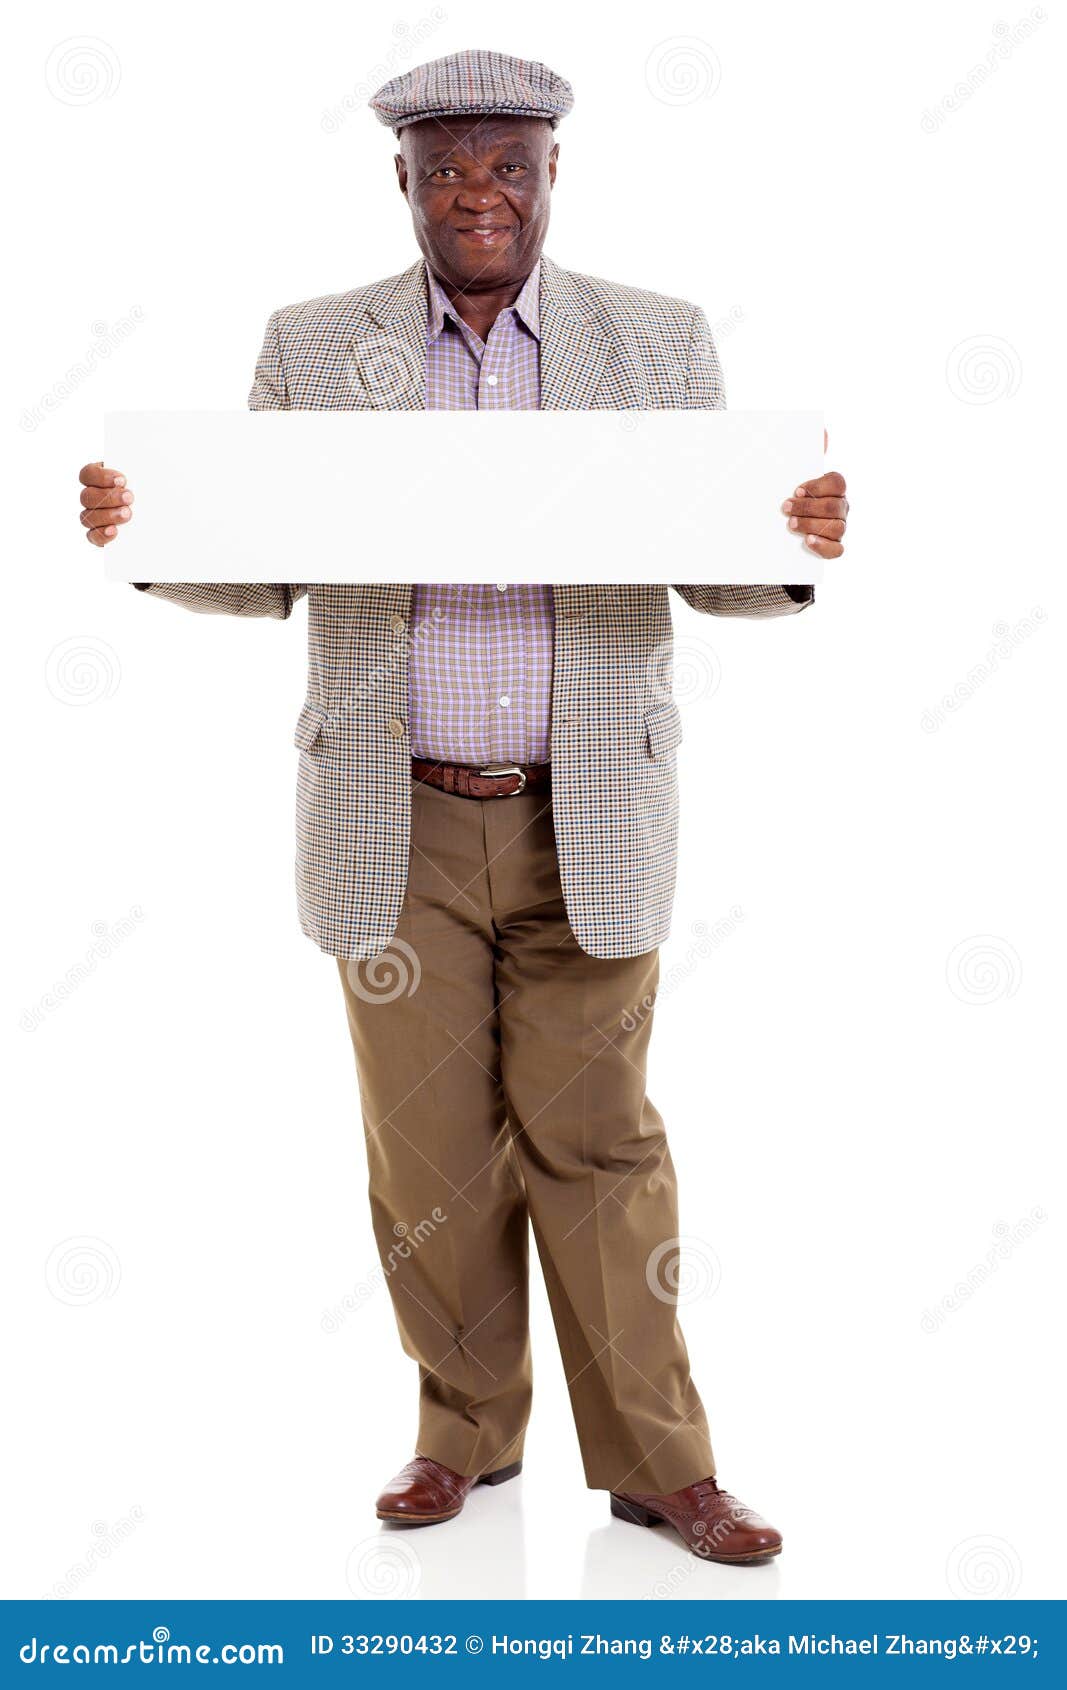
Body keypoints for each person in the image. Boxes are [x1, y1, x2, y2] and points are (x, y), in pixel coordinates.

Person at [77, 49, 848, 1565]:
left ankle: (663, 1465)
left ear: (555, 171)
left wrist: (792, 535)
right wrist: (148, 535)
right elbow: (265, 559)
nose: (476, 192)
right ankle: (461, 1434)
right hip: (394, 813)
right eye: (446, 167)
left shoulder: (656, 338)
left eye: (506, 162)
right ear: (404, 184)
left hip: (592, 814)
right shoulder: (317, 343)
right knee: (427, 1154)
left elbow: (717, 560)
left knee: (601, 1146)